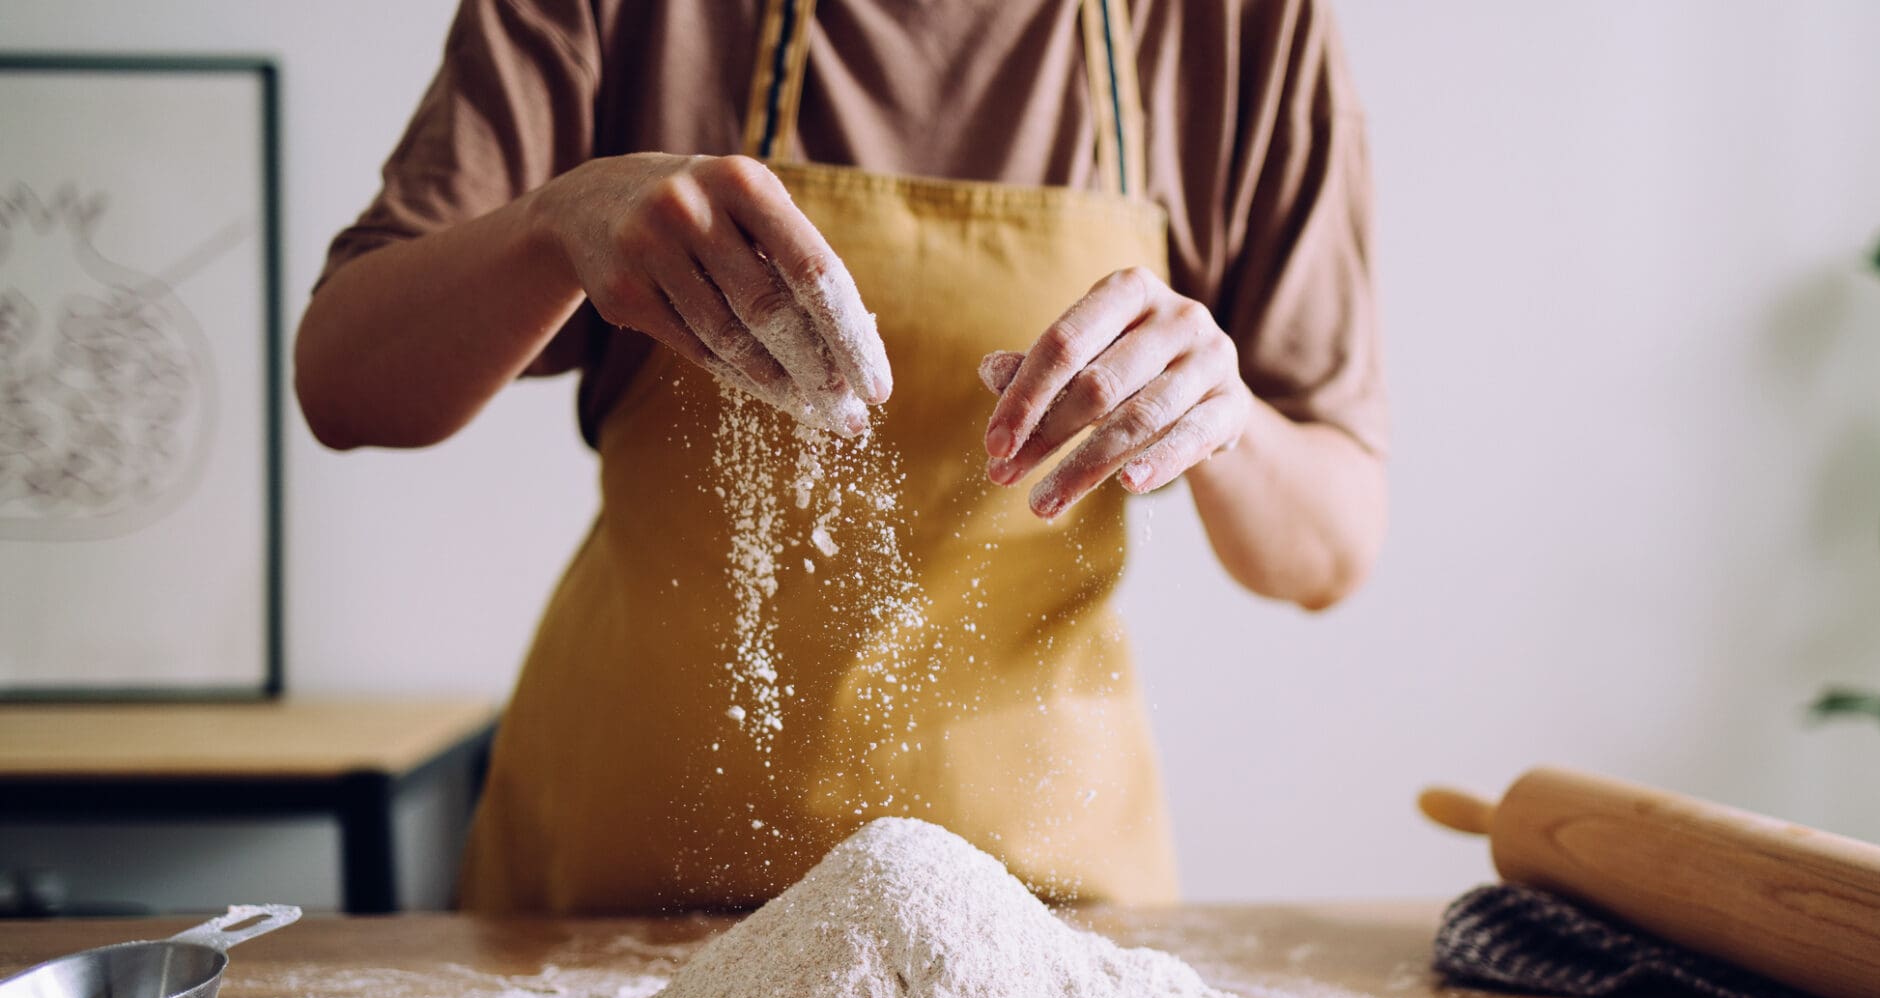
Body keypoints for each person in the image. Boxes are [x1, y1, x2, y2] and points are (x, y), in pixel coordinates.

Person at [296, 0, 1389, 913]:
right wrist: (556, 220)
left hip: (1039, 921)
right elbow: (345, 383)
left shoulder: (1237, 26)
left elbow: (1327, 549)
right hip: (617, 909)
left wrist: (1218, 416)